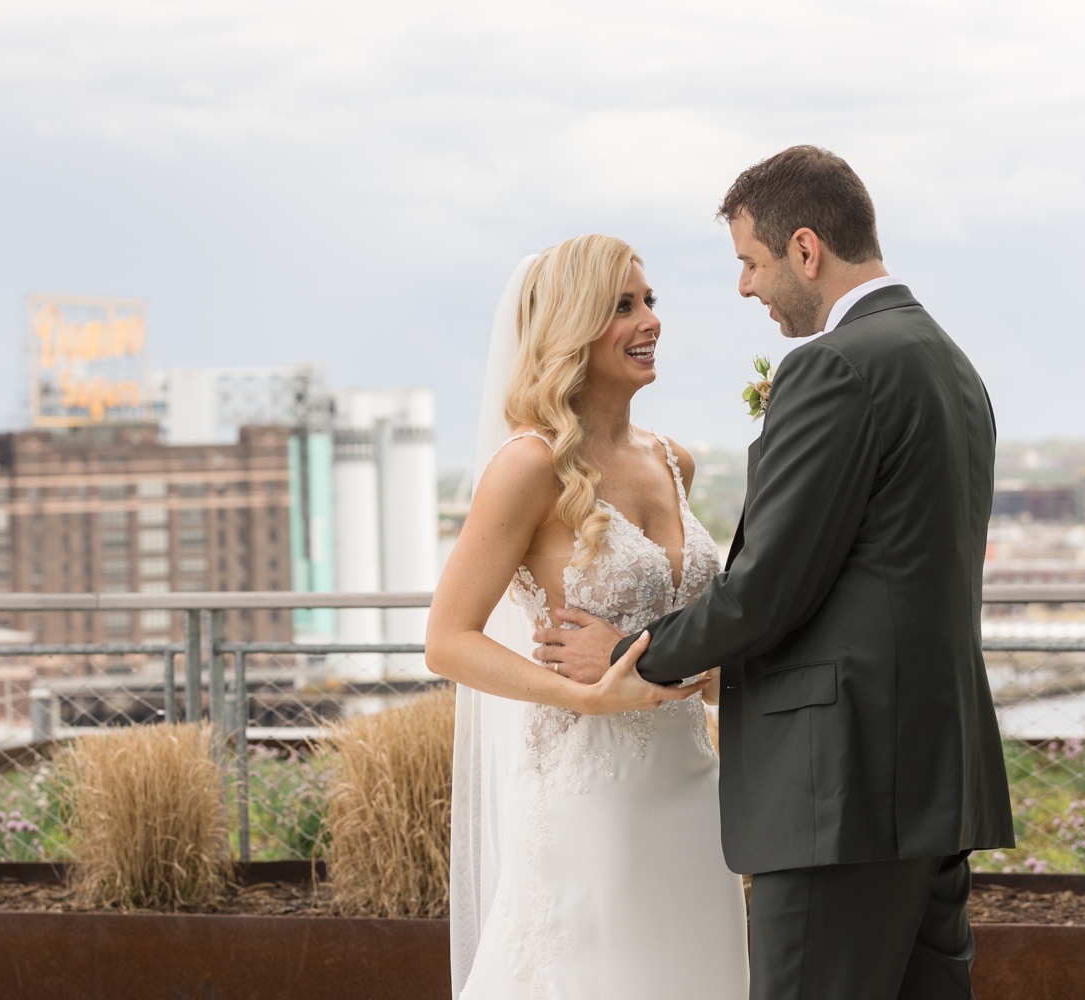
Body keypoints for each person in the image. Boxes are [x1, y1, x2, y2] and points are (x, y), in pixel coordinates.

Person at [536, 146, 1015, 1000]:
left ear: (805, 250)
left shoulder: (834, 365)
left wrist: (630, 655)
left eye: (750, 264)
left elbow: (769, 590)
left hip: (839, 791)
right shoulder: (948, 363)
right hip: (934, 781)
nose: (746, 289)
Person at [426, 235, 750, 1000]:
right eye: (622, 307)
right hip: (589, 799)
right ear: (572, 326)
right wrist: (585, 694)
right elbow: (447, 640)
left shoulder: (677, 461)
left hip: (693, 793)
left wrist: (704, 674)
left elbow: (692, 629)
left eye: (650, 302)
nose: (650, 321)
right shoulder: (529, 466)